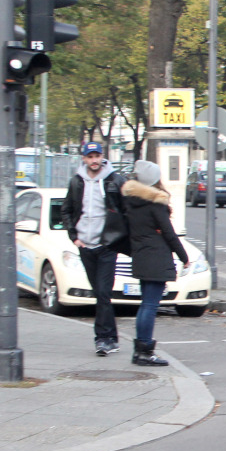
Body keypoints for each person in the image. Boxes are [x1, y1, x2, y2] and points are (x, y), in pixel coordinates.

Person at [60, 146, 128, 356]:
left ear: (102, 157)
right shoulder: (76, 181)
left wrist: (117, 238)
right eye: (90, 157)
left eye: (97, 156)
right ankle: (112, 339)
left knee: (103, 293)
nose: (94, 160)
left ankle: (103, 339)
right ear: (84, 159)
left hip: (106, 246)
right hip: (85, 246)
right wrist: (75, 237)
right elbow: (66, 210)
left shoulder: (114, 180)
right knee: (99, 293)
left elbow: (126, 210)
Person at [121, 161, 190, 366]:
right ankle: (145, 352)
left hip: (141, 256)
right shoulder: (155, 203)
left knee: (145, 305)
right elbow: (169, 233)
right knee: (151, 306)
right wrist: (183, 256)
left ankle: (139, 351)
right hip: (156, 258)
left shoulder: (131, 202)